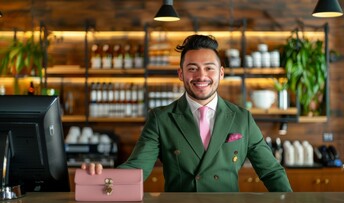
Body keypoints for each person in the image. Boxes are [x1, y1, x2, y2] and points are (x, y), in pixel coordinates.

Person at [82, 34, 292, 192]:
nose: (201, 75)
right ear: (181, 74)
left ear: (221, 73)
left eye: (209, 68)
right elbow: (138, 168)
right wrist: (103, 177)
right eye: (192, 68)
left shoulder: (241, 118)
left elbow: (271, 171)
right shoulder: (160, 118)